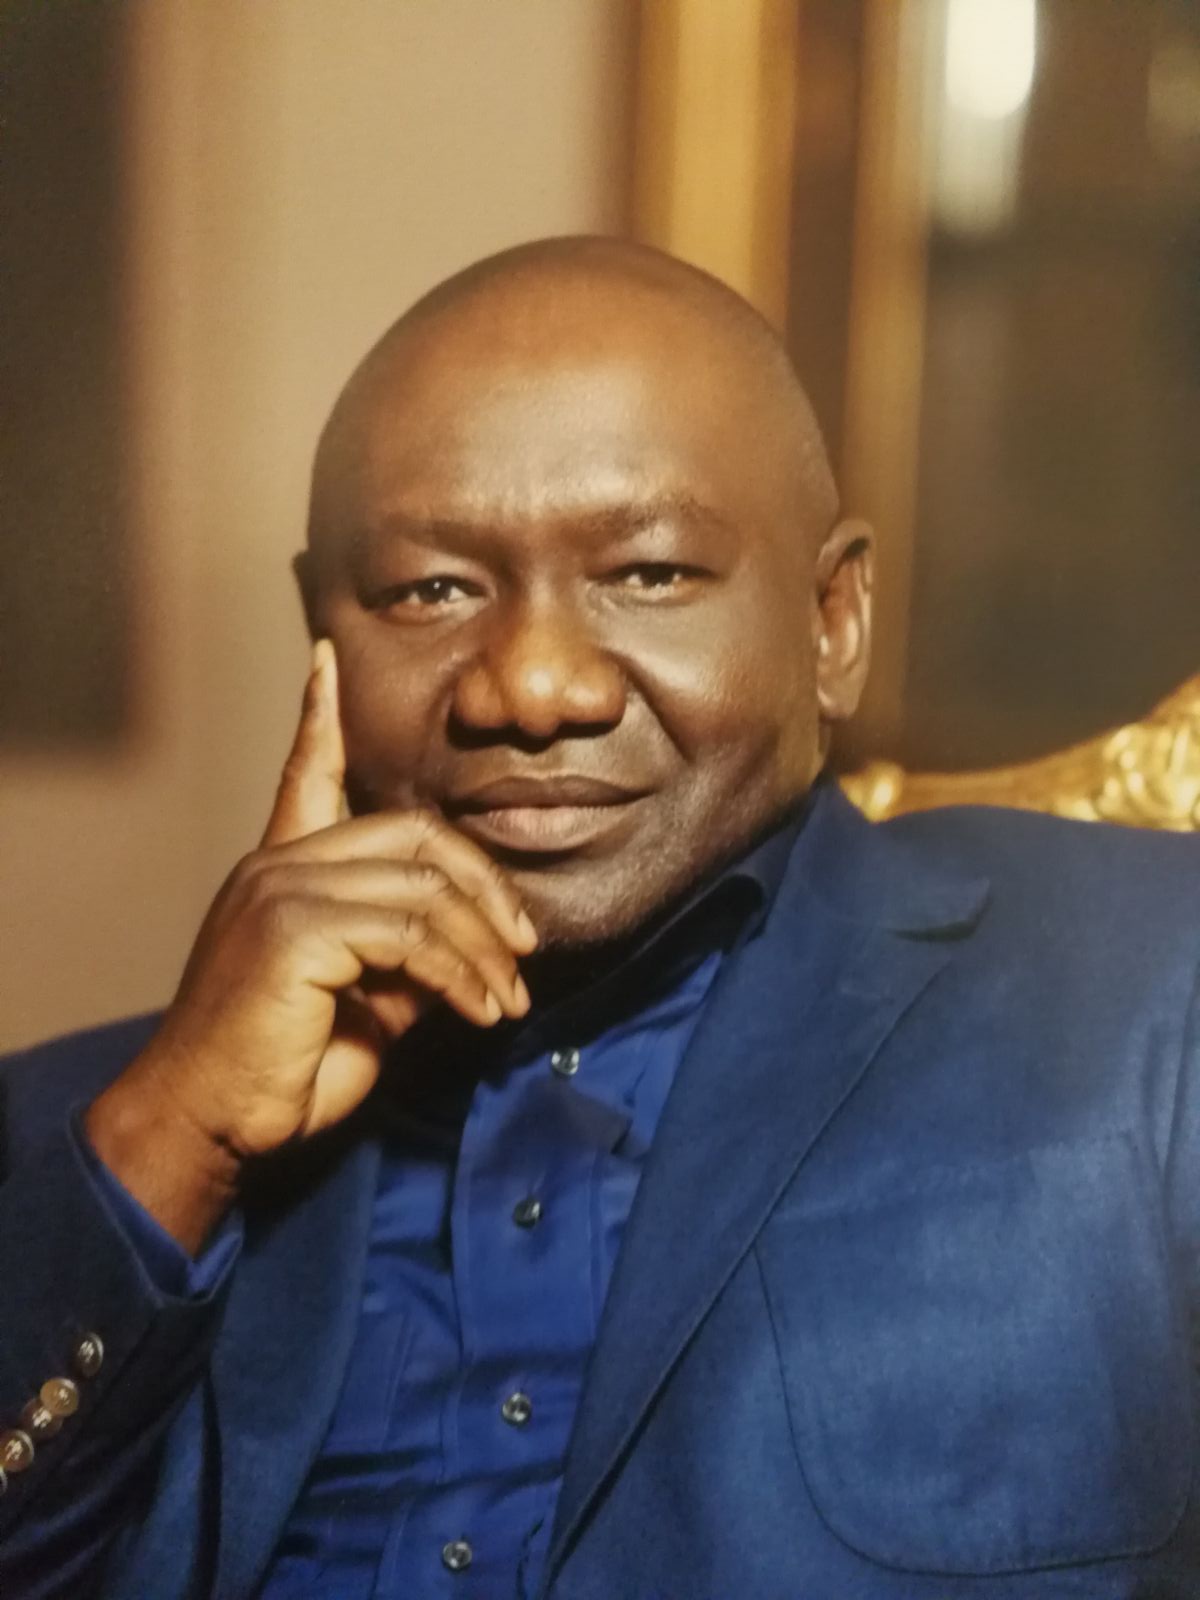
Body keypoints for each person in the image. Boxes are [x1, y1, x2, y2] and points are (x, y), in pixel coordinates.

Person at [1, 237, 1198, 1600]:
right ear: (319, 629)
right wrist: (178, 1135)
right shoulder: (88, 1146)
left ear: (833, 621)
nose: (531, 687)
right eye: (431, 590)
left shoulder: (1143, 999)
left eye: (648, 574)